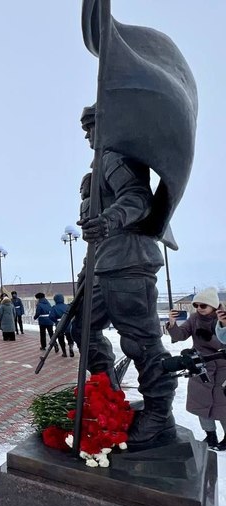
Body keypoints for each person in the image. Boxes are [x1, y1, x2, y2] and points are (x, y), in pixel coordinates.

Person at [73, 102, 183, 449]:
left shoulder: (115, 158)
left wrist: (107, 220)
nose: (87, 134)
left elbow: (138, 199)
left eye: (91, 127)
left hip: (129, 262)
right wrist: (86, 270)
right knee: (81, 326)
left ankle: (159, 415)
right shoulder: (96, 169)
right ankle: (108, 394)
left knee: (141, 340)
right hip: (104, 265)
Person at [166, 288, 226, 449]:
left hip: (222, 368)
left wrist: (212, 336)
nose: (199, 308)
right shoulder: (194, 319)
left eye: (203, 305)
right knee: (201, 405)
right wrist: (172, 323)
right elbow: (180, 335)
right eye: (197, 305)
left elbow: (223, 343)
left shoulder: (223, 319)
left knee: (222, 406)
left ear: (213, 306)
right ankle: (210, 436)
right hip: (199, 366)